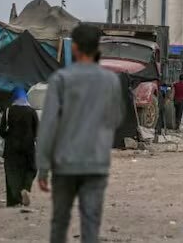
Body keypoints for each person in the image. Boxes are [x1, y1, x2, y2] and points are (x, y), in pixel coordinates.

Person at [38, 23, 124, 243]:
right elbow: (115, 119)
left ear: (74, 48)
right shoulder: (111, 81)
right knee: (91, 224)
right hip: (96, 163)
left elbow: (48, 125)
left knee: (59, 222)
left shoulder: (60, 80)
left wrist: (43, 168)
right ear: (98, 49)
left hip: (64, 164)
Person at [2, 87, 38, 208]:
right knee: (31, 168)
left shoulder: (8, 111)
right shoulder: (31, 112)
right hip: (28, 146)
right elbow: (37, 131)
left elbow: (2, 130)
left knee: (12, 172)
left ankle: (14, 200)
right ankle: (26, 187)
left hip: (11, 147)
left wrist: (7, 135)